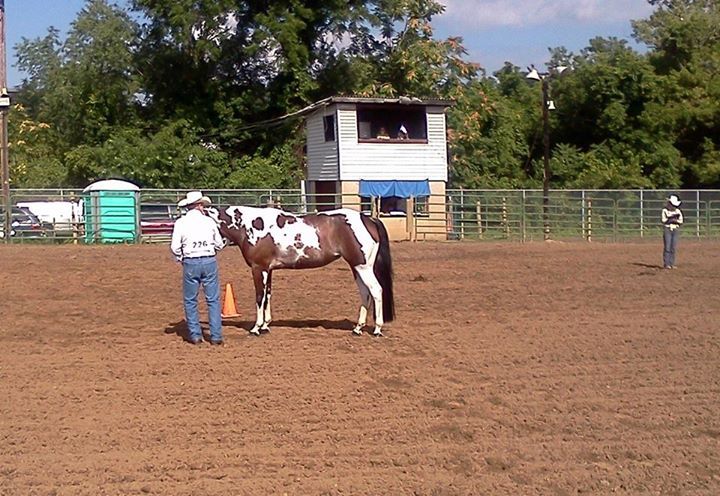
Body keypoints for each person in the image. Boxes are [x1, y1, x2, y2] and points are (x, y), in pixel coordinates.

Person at [171, 191, 226, 344]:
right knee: (213, 300)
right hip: (209, 260)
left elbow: (175, 247)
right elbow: (219, 244)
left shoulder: (181, 223)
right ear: (200, 205)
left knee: (190, 300)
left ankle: (195, 335)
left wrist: (181, 258)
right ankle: (216, 336)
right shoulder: (209, 222)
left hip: (190, 261)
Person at [661, 194, 683, 269]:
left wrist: (673, 220)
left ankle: (671, 263)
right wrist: (672, 219)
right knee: (667, 246)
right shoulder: (665, 210)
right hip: (668, 229)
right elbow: (664, 220)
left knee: (673, 247)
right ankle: (666, 263)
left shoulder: (678, 211)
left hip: (675, 229)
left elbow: (681, 221)